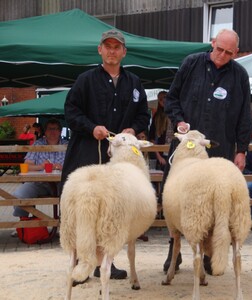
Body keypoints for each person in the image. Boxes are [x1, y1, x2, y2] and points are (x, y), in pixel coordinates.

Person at [61, 29, 150, 283]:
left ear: (124, 52)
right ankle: (82, 262)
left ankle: (104, 263)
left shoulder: (134, 82)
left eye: (116, 47)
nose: (112, 51)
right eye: (107, 46)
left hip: (117, 160)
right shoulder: (85, 80)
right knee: (84, 206)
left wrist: (133, 128)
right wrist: (92, 127)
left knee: (109, 210)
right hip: (87, 151)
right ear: (100, 50)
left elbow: (144, 114)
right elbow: (71, 110)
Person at [164, 28, 252, 275]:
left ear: (235, 53)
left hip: (220, 149)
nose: (222, 55)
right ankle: (175, 251)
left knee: (214, 204)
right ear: (212, 43)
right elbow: (172, 99)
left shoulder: (240, 76)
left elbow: (245, 116)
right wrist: (178, 120)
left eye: (228, 52)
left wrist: (242, 150)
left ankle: (208, 255)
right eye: (219, 49)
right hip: (186, 149)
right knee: (177, 200)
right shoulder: (191, 63)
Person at [12, 119, 67, 218]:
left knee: (73, 198)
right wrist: (41, 166)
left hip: (62, 183)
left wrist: (63, 168)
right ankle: (24, 227)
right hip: (39, 183)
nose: (53, 131)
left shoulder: (67, 145)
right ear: (45, 131)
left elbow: (76, 166)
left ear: (60, 131)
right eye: (50, 129)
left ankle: (65, 225)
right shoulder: (38, 144)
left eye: (56, 129)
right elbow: (27, 165)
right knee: (19, 196)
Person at [148, 90, 174, 171]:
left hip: (173, 152)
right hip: (161, 154)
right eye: (160, 99)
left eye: (165, 98)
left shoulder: (175, 114)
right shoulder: (157, 117)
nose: (163, 100)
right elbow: (151, 138)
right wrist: (159, 157)